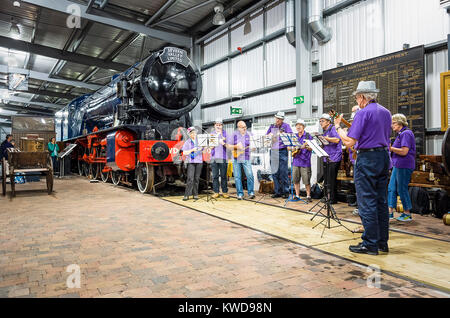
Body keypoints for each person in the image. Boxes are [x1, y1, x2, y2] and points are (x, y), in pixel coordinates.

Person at [334, 81, 392, 255]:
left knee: (367, 201)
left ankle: (370, 243)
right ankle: (382, 242)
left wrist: (337, 127)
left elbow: (350, 141)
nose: (357, 100)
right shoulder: (386, 112)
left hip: (367, 158)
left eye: (357, 97)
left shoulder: (362, 113)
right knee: (381, 201)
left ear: (362, 97)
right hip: (383, 157)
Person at [388, 113, 416, 222]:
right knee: (391, 188)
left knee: (401, 189)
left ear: (400, 123)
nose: (392, 125)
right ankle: (390, 212)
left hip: (404, 165)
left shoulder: (406, 134)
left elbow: (404, 151)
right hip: (397, 165)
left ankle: (407, 213)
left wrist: (391, 148)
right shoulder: (400, 134)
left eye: (393, 123)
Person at [266, 111, 293, 199]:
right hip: (273, 150)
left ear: (282, 120)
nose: (277, 120)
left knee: (283, 172)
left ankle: (285, 191)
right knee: (274, 172)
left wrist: (282, 134)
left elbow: (291, 136)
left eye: (280, 119)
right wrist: (269, 136)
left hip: (282, 150)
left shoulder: (286, 126)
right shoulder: (272, 126)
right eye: (277, 118)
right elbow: (266, 136)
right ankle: (277, 191)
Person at [228, 121, 255, 200]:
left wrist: (253, 148)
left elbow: (253, 145)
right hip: (236, 158)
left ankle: (251, 192)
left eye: (245, 127)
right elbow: (228, 146)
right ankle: (240, 193)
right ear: (238, 127)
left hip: (246, 157)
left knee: (250, 175)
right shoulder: (234, 134)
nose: (245, 128)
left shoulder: (249, 134)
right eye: (243, 127)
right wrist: (236, 146)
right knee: (237, 177)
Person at [288, 119, 313, 202]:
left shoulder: (308, 136)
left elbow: (312, 147)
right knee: (295, 180)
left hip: (305, 162)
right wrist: (294, 148)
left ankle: (308, 196)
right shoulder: (294, 136)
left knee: (306, 180)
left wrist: (305, 147)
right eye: (297, 125)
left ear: (304, 126)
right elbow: (288, 147)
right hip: (296, 161)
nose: (298, 127)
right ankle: (297, 195)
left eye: (300, 125)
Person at [319, 113, 342, 204]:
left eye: (323, 121)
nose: (321, 123)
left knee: (331, 179)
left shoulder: (333, 128)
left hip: (334, 157)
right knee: (327, 179)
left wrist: (326, 138)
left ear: (328, 122)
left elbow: (337, 140)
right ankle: (326, 196)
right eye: (320, 121)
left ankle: (332, 198)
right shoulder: (324, 131)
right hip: (326, 157)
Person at [209, 118, 229, 199]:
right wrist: (213, 144)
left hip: (223, 157)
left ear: (222, 126)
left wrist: (223, 142)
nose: (218, 126)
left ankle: (224, 192)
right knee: (215, 176)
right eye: (217, 125)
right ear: (214, 125)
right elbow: (210, 147)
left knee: (224, 176)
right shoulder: (212, 134)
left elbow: (229, 146)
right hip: (214, 157)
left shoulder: (225, 134)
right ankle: (216, 192)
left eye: (220, 125)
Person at [182, 127, 203, 201]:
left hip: (199, 162)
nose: (193, 134)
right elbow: (184, 152)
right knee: (190, 178)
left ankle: (195, 194)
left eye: (194, 132)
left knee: (196, 179)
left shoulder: (200, 141)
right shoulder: (187, 142)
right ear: (189, 134)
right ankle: (187, 195)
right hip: (191, 162)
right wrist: (192, 150)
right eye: (191, 133)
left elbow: (204, 150)